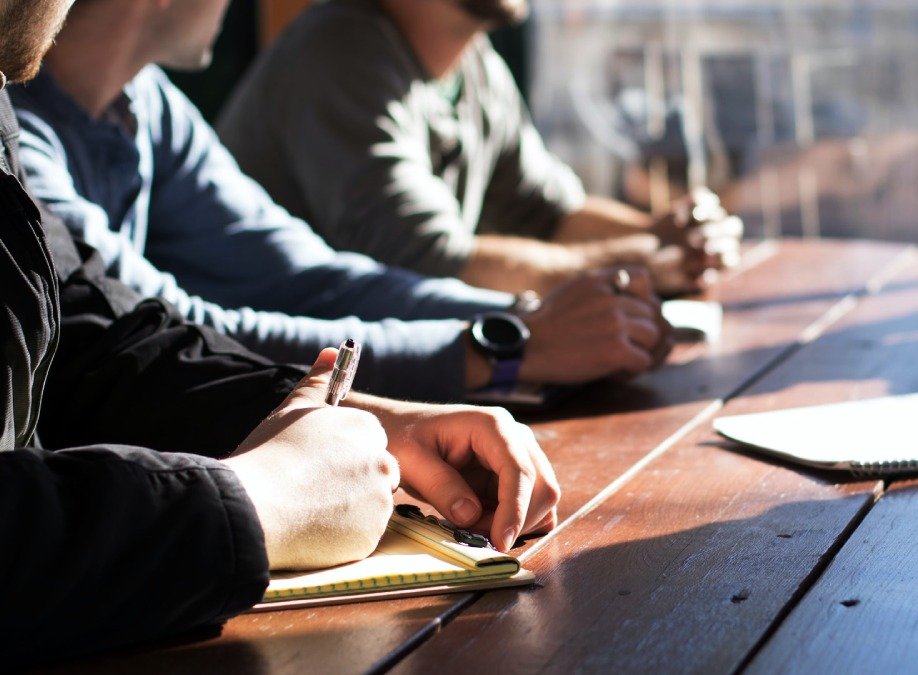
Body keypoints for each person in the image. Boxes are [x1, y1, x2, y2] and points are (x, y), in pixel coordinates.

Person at [0, 1, 558, 665]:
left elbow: (94, 337)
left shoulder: (103, 103)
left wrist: (345, 415)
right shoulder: (338, 51)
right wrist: (256, 501)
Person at [12, 0, 671, 405]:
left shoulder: (144, 102)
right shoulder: (19, 144)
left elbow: (307, 275)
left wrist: (518, 314)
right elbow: (173, 335)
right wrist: (505, 347)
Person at [217, 0, 743, 298]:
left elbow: (549, 212)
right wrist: (645, 261)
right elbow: (426, 261)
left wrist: (671, 233)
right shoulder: (338, 52)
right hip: (280, 390)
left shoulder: (474, 61)